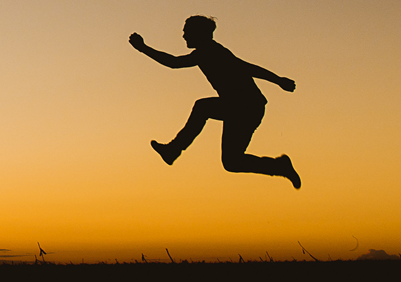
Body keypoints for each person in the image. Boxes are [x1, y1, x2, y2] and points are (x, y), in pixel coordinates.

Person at [129, 16, 301, 189]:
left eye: (186, 32)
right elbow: (247, 67)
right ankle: (279, 166)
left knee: (203, 107)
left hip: (247, 107)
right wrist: (278, 80)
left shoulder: (210, 51)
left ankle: (173, 150)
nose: (183, 36)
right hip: (240, 108)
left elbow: (174, 63)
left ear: (199, 34)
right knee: (232, 162)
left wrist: (143, 48)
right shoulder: (209, 51)